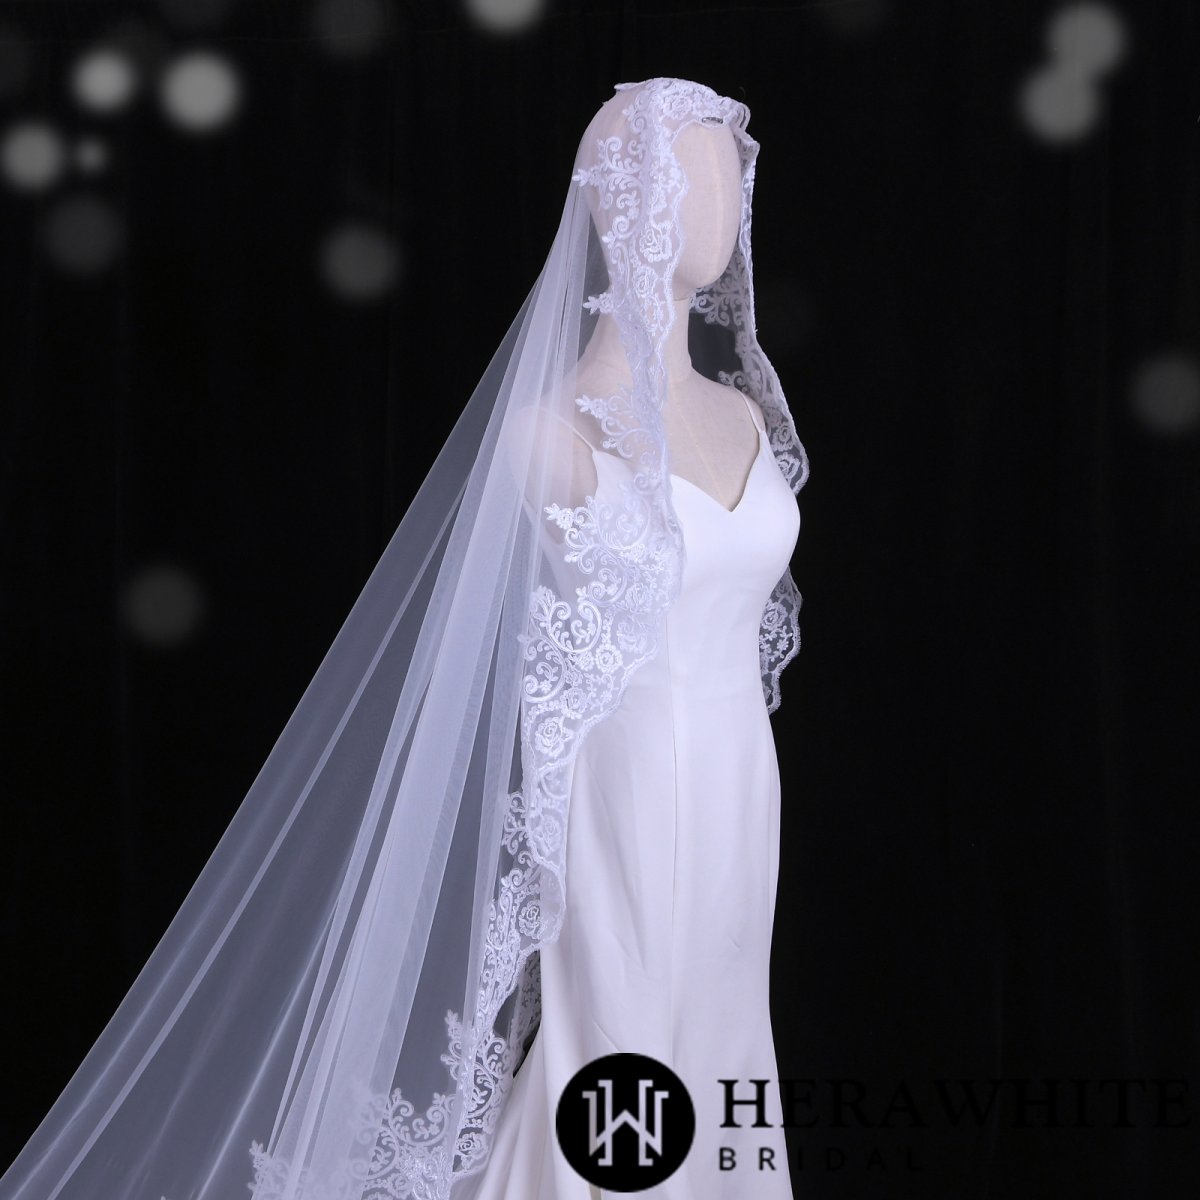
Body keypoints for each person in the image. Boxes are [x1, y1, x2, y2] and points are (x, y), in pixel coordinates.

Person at [0, 77, 809, 1200]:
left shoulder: (744, 413)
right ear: (620, 198)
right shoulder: (554, 433)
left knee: (720, 1030)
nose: (720, 200)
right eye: (691, 170)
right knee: (623, 1037)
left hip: (738, 781)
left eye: (730, 171)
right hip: (631, 783)